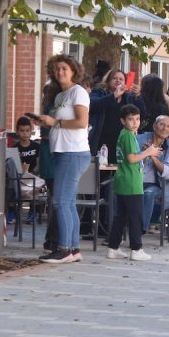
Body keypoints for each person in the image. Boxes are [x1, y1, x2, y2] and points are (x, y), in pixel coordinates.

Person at [33, 55, 90, 264]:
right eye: (56, 69)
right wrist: (45, 121)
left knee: (60, 201)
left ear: (74, 71)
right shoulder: (59, 96)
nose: (60, 72)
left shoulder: (78, 92)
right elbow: (57, 123)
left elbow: (82, 122)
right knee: (69, 203)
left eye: (64, 68)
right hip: (61, 152)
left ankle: (63, 248)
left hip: (73, 153)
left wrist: (55, 122)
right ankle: (73, 248)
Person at [105, 105, 160, 260]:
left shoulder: (125, 134)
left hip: (123, 181)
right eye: (130, 119)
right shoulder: (128, 135)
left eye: (137, 119)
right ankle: (136, 249)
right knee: (136, 217)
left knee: (120, 216)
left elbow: (132, 156)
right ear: (123, 121)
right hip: (131, 182)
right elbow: (131, 159)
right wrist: (148, 152)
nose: (135, 122)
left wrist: (144, 153)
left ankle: (113, 247)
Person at [88, 69, 147, 163]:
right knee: (101, 168)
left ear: (125, 82)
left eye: (121, 79)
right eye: (114, 78)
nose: (118, 81)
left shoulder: (128, 97)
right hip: (102, 138)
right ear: (108, 80)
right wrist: (114, 95)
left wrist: (138, 96)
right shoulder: (99, 92)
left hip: (121, 138)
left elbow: (142, 113)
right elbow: (93, 105)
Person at [137, 115, 169, 234]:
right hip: (136, 180)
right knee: (114, 189)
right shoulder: (139, 139)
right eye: (162, 124)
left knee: (148, 194)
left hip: (157, 185)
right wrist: (144, 154)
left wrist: (153, 157)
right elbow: (132, 162)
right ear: (154, 126)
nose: (165, 128)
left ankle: (140, 230)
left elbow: (168, 173)